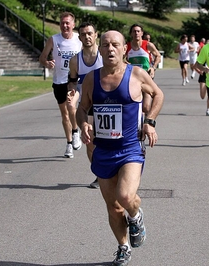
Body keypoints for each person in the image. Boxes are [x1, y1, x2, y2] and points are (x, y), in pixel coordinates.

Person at [76, 30, 164, 266]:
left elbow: (158, 94)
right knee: (113, 208)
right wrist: (83, 123)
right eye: (105, 45)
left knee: (125, 196)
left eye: (115, 44)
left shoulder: (136, 74)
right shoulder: (92, 79)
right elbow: (82, 108)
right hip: (103, 150)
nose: (110, 49)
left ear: (124, 48)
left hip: (130, 149)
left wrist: (150, 122)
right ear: (100, 49)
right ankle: (123, 247)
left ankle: (136, 215)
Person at [39, 12, 82, 158]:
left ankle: (75, 132)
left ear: (73, 25)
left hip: (73, 80)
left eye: (67, 23)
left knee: (72, 107)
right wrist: (47, 62)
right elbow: (42, 58)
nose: (65, 26)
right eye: (62, 23)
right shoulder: (54, 40)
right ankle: (69, 143)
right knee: (65, 114)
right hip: (59, 81)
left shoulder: (79, 39)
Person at [67, 22, 103, 189]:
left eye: (90, 33)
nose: (87, 37)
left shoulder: (105, 55)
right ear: (79, 37)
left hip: (107, 104)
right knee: (90, 142)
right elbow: (73, 82)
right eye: (83, 34)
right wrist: (72, 92)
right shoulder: (75, 60)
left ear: (96, 35)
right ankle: (99, 174)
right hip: (87, 106)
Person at [126, 24, 161, 116]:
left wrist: (153, 67)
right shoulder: (127, 46)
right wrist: (125, 63)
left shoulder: (148, 45)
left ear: (141, 33)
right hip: (132, 78)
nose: (136, 33)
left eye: (138, 31)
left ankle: (146, 124)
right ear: (131, 34)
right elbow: (121, 59)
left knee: (146, 107)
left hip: (146, 77)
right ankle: (138, 125)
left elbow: (158, 55)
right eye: (134, 31)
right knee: (133, 104)